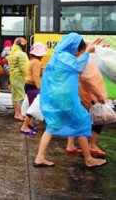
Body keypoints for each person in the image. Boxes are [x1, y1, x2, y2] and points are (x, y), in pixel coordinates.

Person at [34, 33, 107, 168]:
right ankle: (89, 159)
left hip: (53, 97)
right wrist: (87, 53)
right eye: (79, 50)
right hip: (65, 97)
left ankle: (40, 157)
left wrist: (87, 50)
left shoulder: (57, 55)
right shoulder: (66, 57)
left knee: (52, 126)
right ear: (74, 47)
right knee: (82, 121)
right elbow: (79, 67)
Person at [65, 41, 109, 157]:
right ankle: (91, 146)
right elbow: (88, 79)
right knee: (99, 119)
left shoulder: (74, 59)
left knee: (74, 119)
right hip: (89, 97)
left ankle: (70, 145)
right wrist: (99, 96)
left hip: (77, 95)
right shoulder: (85, 62)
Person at [20, 42, 48, 135]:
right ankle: (24, 126)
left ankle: (30, 124)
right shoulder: (37, 62)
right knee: (34, 107)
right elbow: (36, 76)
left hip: (28, 86)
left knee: (31, 105)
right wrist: (40, 88)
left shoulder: (32, 61)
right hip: (33, 86)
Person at [8, 38, 29, 121]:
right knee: (22, 96)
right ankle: (18, 114)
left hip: (13, 77)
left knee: (15, 96)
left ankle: (16, 113)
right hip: (20, 77)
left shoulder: (12, 54)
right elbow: (25, 68)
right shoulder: (21, 54)